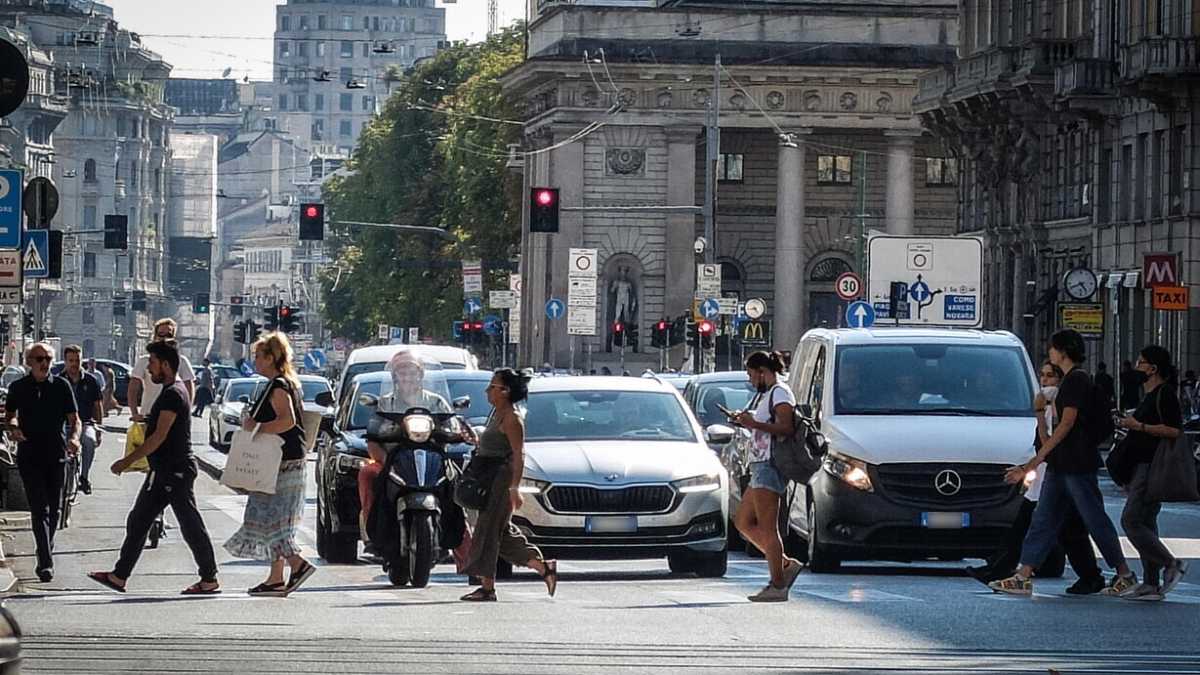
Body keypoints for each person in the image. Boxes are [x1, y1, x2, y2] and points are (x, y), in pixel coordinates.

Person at [990, 330, 1136, 596]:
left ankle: (1124, 573)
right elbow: (1053, 428)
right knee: (1043, 519)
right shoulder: (1068, 381)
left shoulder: (1075, 380)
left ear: (1064, 351)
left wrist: (1034, 461)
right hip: (1061, 464)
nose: (1050, 353)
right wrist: (1039, 416)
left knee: (1094, 519)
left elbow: (1067, 424)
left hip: (1076, 464)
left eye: (1053, 349)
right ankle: (1023, 575)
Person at [88, 340, 220, 595]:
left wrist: (126, 461)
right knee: (139, 520)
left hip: (174, 470)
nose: (149, 369)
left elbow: (159, 436)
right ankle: (119, 576)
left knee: (189, 523)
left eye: (152, 363)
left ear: (166, 365)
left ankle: (209, 578)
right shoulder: (171, 390)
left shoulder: (173, 393)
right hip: (165, 470)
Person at [967, 361, 1104, 594]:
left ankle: (1003, 570)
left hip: (1059, 477)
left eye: (1050, 376)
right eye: (1042, 375)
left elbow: (1051, 444)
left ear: (1061, 381)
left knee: (1038, 525)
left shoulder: (1063, 408)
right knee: (1069, 531)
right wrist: (1040, 412)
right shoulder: (1050, 406)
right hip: (1050, 477)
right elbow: (1043, 441)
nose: (1044, 380)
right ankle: (1090, 576)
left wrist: (1025, 467)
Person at [224, 333, 316, 597]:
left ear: (270, 358)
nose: (254, 361)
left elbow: (286, 421)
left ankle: (297, 566)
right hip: (282, 461)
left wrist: (257, 427)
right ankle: (276, 578)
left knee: (271, 520)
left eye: (258, 356)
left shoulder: (278, 386)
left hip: (281, 463)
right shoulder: (284, 383)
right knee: (271, 518)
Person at [460, 368, 557, 601]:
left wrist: (514, 488)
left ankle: (487, 587)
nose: (487, 391)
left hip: (501, 480)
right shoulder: (497, 413)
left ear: (505, 391)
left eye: (492, 386)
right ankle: (543, 567)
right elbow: (494, 444)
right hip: (489, 476)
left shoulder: (513, 418)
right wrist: (475, 440)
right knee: (500, 531)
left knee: (487, 530)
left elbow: (518, 454)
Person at [1114, 346, 1191, 600]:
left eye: (1141, 362)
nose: (1137, 367)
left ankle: (1171, 563)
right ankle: (1150, 582)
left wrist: (1140, 425)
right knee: (1146, 521)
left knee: (1131, 520)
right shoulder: (1147, 394)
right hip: (1140, 465)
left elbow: (1174, 430)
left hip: (1153, 466)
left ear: (1153, 368)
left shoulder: (1165, 393)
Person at [3, 343, 80, 582]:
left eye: (47, 358)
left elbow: (74, 419)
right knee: (39, 508)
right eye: (38, 358)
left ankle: (45, 546)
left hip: (56, 453)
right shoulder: (18, 387)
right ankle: (45, 561)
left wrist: (75, 438)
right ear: (28, 361)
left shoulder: (61, 386)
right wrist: (14, 428)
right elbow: (10, 415)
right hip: (30, 454)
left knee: (55, 508)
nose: (43, 363)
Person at [733, 351, 804, 602]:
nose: (751, 381)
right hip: (760, 465)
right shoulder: (767, 394)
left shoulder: (780, 393)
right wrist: (745, 422)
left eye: (752, 375)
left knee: (767, 527)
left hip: (770, 465)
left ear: (763, 371)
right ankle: (783, 564)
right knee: (742, 522)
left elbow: (786, 428)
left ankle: (777, 585)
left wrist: (754, 424)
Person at [359, 351, 452, 540]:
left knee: (455, 482)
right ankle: (372, 533)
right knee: (367, 474)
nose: (407, 377)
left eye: (412, 372)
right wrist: (385, 461)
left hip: (430, 461)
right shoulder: (385, 403)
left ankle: (466, 555)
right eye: (402, 373)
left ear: (421, 375)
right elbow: (372, 437)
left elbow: (451, 427)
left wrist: (453, 432)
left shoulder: (436, 402)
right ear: (394, 377)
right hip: (393, 461)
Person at [129, 318, 195, 423]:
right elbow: (133, 388)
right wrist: (135, 414)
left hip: (173, 418)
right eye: (161, 334)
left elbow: (189, 388)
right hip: (147, 416)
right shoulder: (144, 361)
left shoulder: (181, 361)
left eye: (169, 335)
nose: (164, 338)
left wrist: (186, 413)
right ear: (155, 336)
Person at [62, 346, 104, 496]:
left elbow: (97, 406)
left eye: (77, 360)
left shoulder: (91, 381)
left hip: (86, 423)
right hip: (64, 425)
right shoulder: (58, 381)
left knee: (88, 441)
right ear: (65, 361)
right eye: (71, 360)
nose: (74, 364)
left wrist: (98, 428)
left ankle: (84, 477)